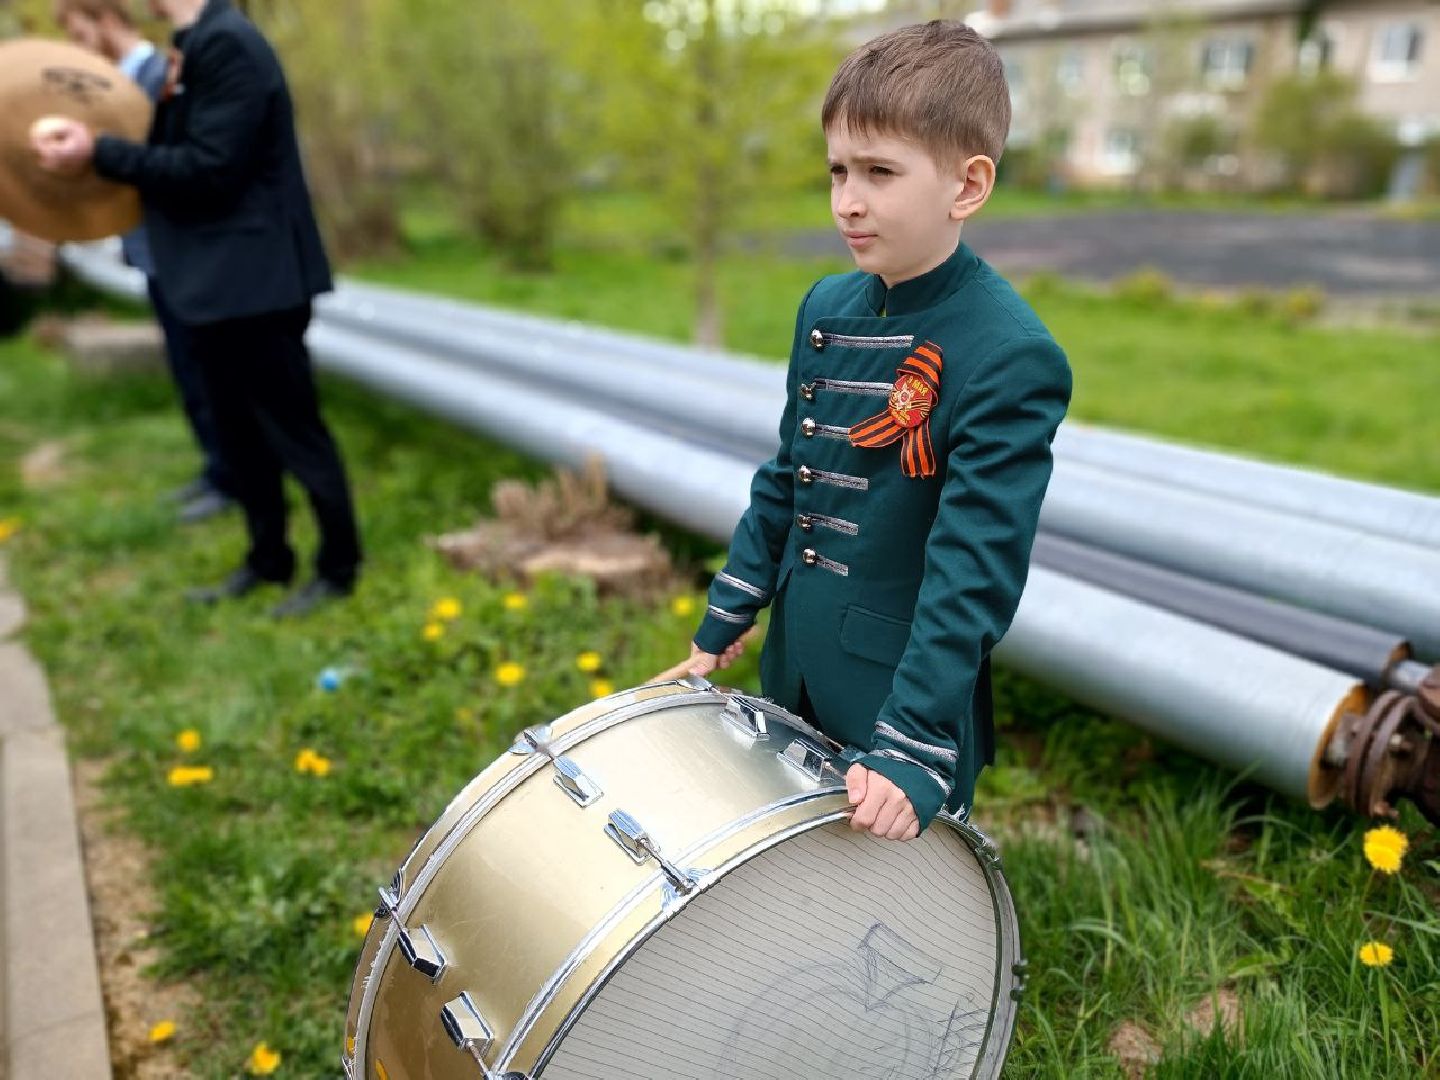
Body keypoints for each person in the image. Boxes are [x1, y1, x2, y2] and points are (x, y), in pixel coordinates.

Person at [673, 21, 1072, 842]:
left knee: (891, 902)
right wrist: (730, 611)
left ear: (968, 186)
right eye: (838, 171)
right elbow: (789, 475)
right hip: (798, 663)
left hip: (896, 694)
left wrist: (911, 743)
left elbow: (973, 569)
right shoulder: (825, 306)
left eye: (880, 172)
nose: (847, 202)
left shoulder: (1009, 353)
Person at [32, 0, 362, 618]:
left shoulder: (228, 44)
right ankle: (268, 558)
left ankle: (338, 567)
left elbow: (210, 169)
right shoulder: (195, 43)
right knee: (239, 435)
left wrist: (99, 151)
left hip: (255, 283)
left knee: (294, 432)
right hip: (212, 284)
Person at [54, 0, 238, 525]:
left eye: (80, 33)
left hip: (183, 250)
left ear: (107, 20)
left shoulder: (160, 76)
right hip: (152, 252)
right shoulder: (114, 85)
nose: (79, 47)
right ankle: (216, 468)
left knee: (210, 372)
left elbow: (179, 167)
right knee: (187, 368)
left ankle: (235, 478)